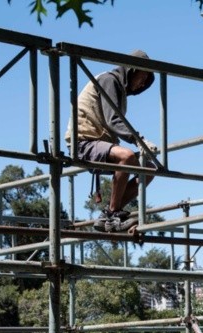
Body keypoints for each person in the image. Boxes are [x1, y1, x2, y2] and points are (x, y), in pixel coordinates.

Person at [65, 49, 158, 232]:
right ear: (131, 70)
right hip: (84, 142)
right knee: (127, 156)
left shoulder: (119, 90)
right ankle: (114, 214)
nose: (142, 83)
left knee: (150, 168)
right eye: (142, 76)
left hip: (99, 143)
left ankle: (108, 213)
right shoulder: (109, 80)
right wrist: (139, 140)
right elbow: (113, 120)